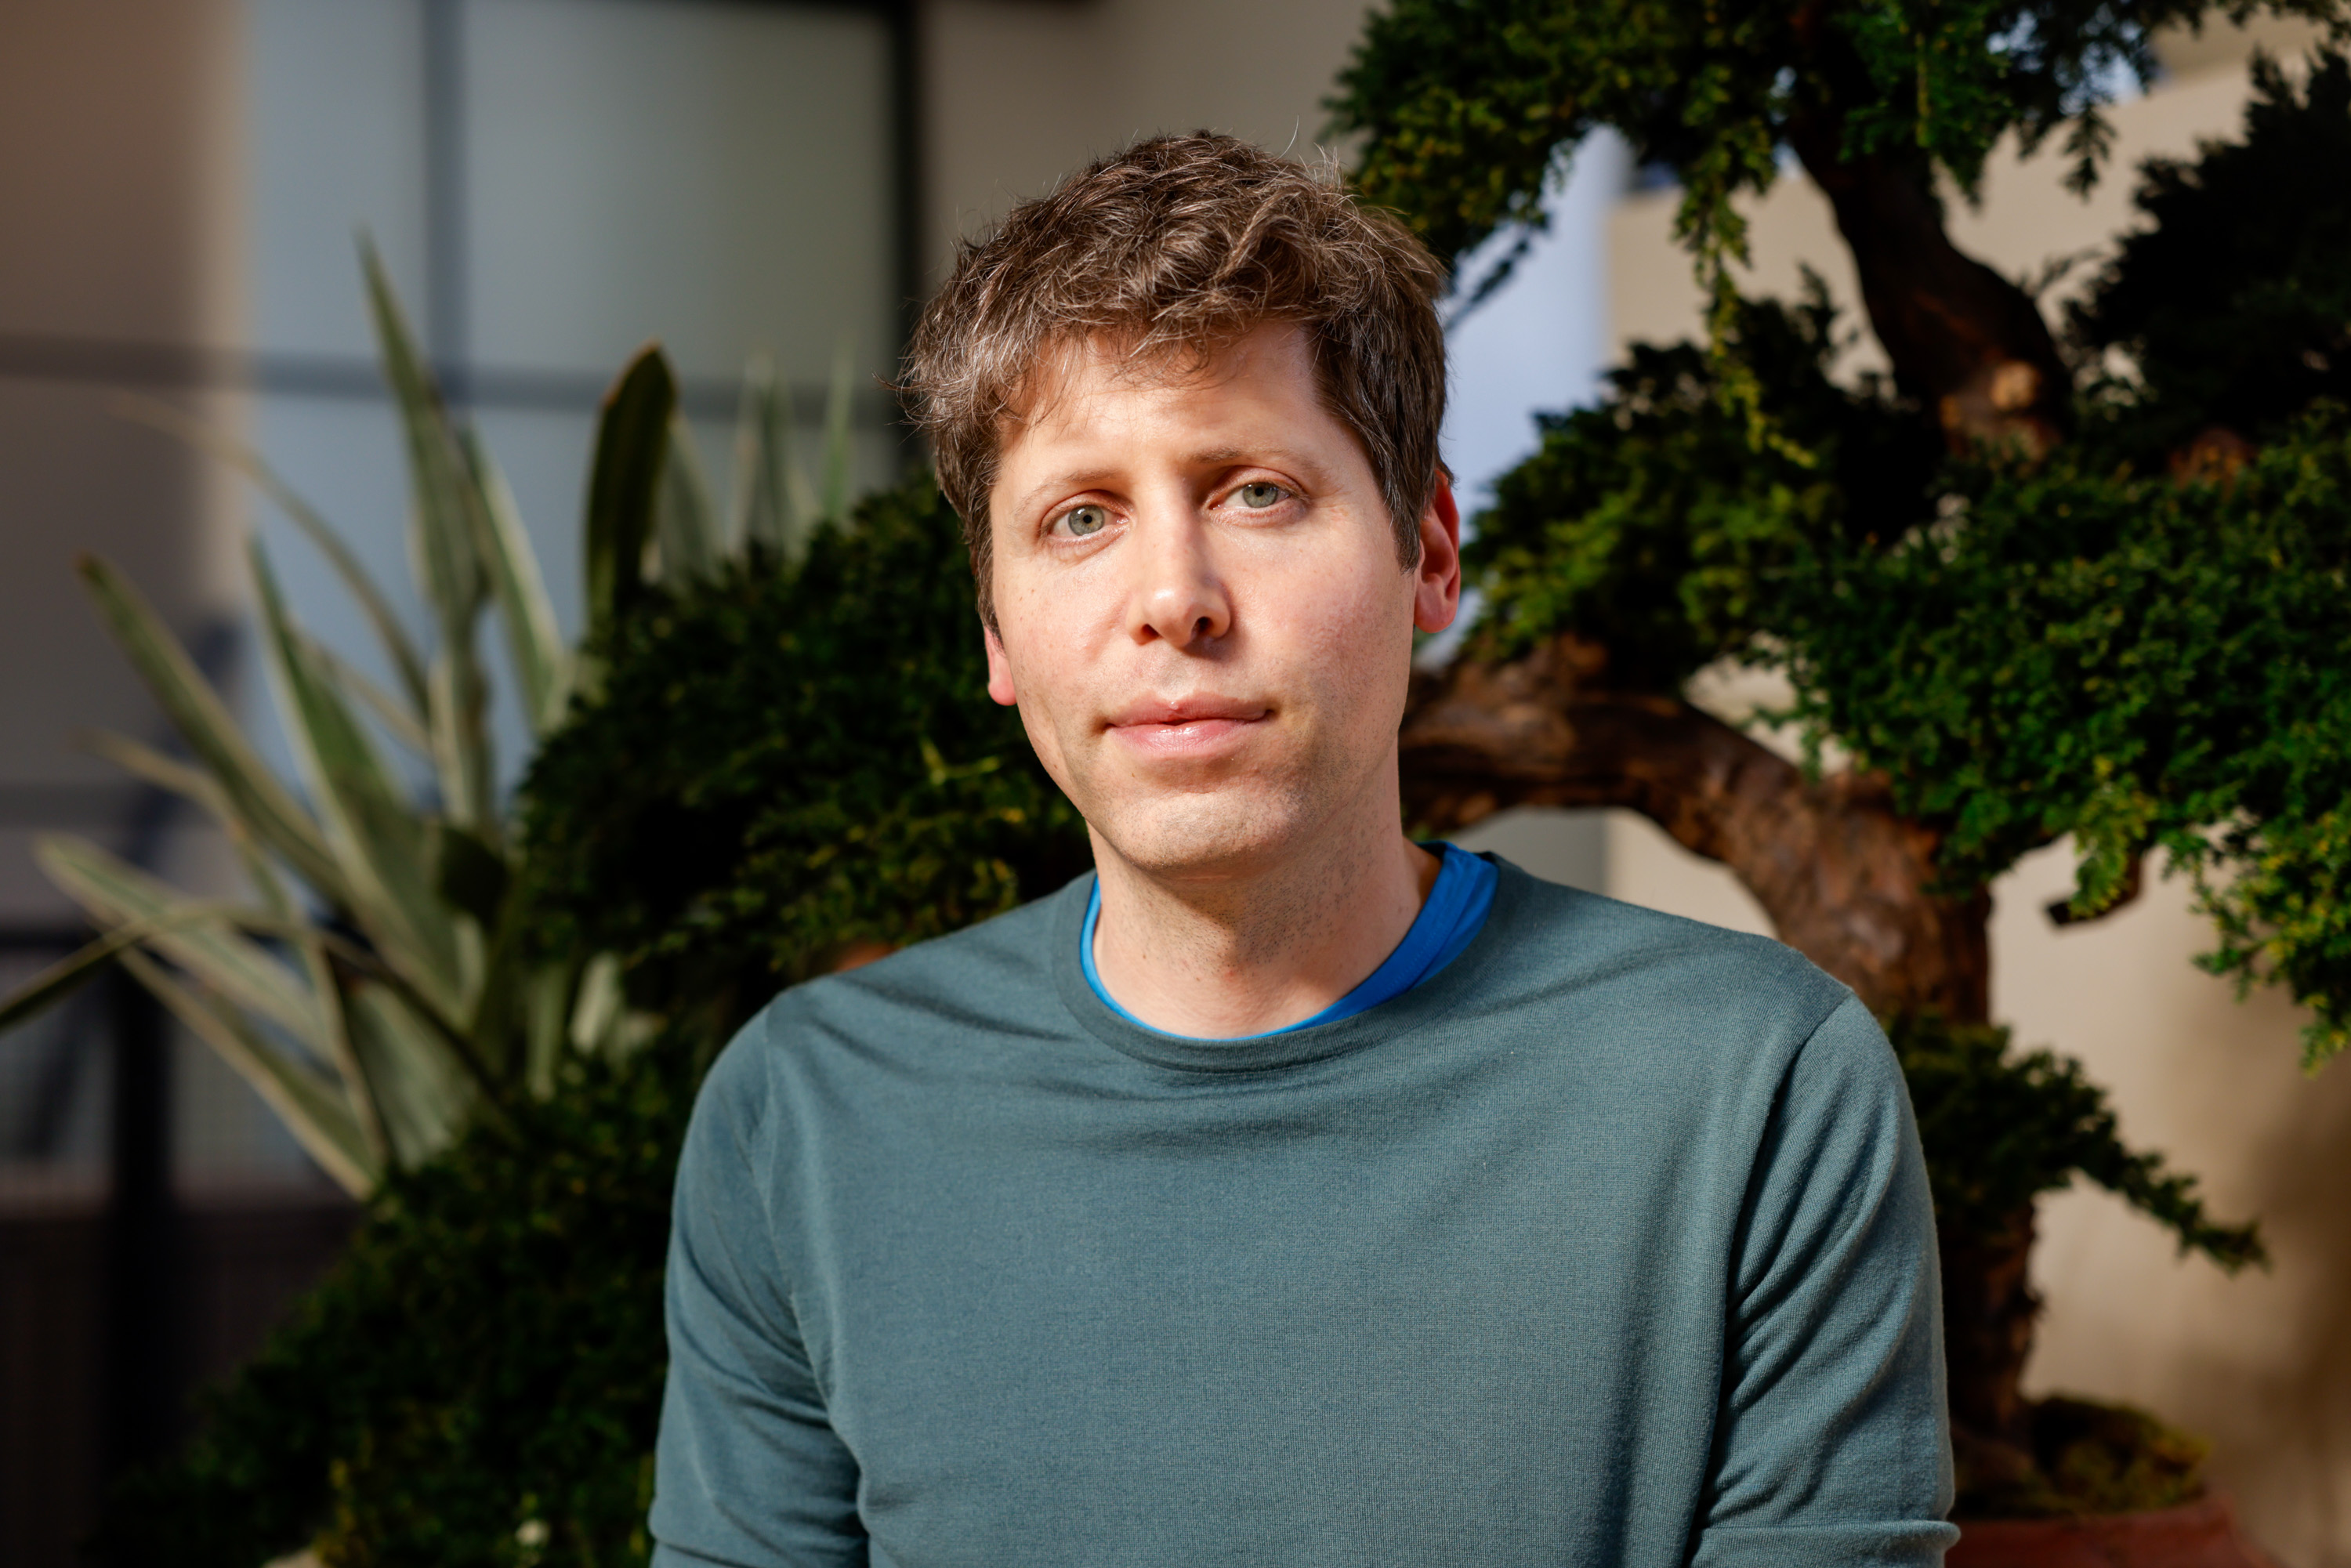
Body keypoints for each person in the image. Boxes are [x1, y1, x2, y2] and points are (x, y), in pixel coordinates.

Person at [649, 134, 1955, 1566]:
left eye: (1255, 491)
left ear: (1432, 553)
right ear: (997, 631)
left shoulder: (1756, 1090)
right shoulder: (807, 1117)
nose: (1174, 599)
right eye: (1081, 517)